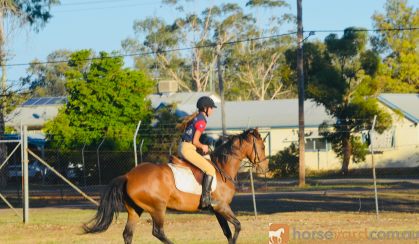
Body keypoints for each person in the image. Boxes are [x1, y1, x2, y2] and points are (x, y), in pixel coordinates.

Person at [177, 96, 217, 209]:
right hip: (188, 148)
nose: (212, 110)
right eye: (211, 108)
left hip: (183, 146)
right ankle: (205, 200)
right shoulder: (202, 121)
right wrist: (203, 146)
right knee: (210, 169)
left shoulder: (197, 117)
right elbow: (195, 141)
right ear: (205, 108)